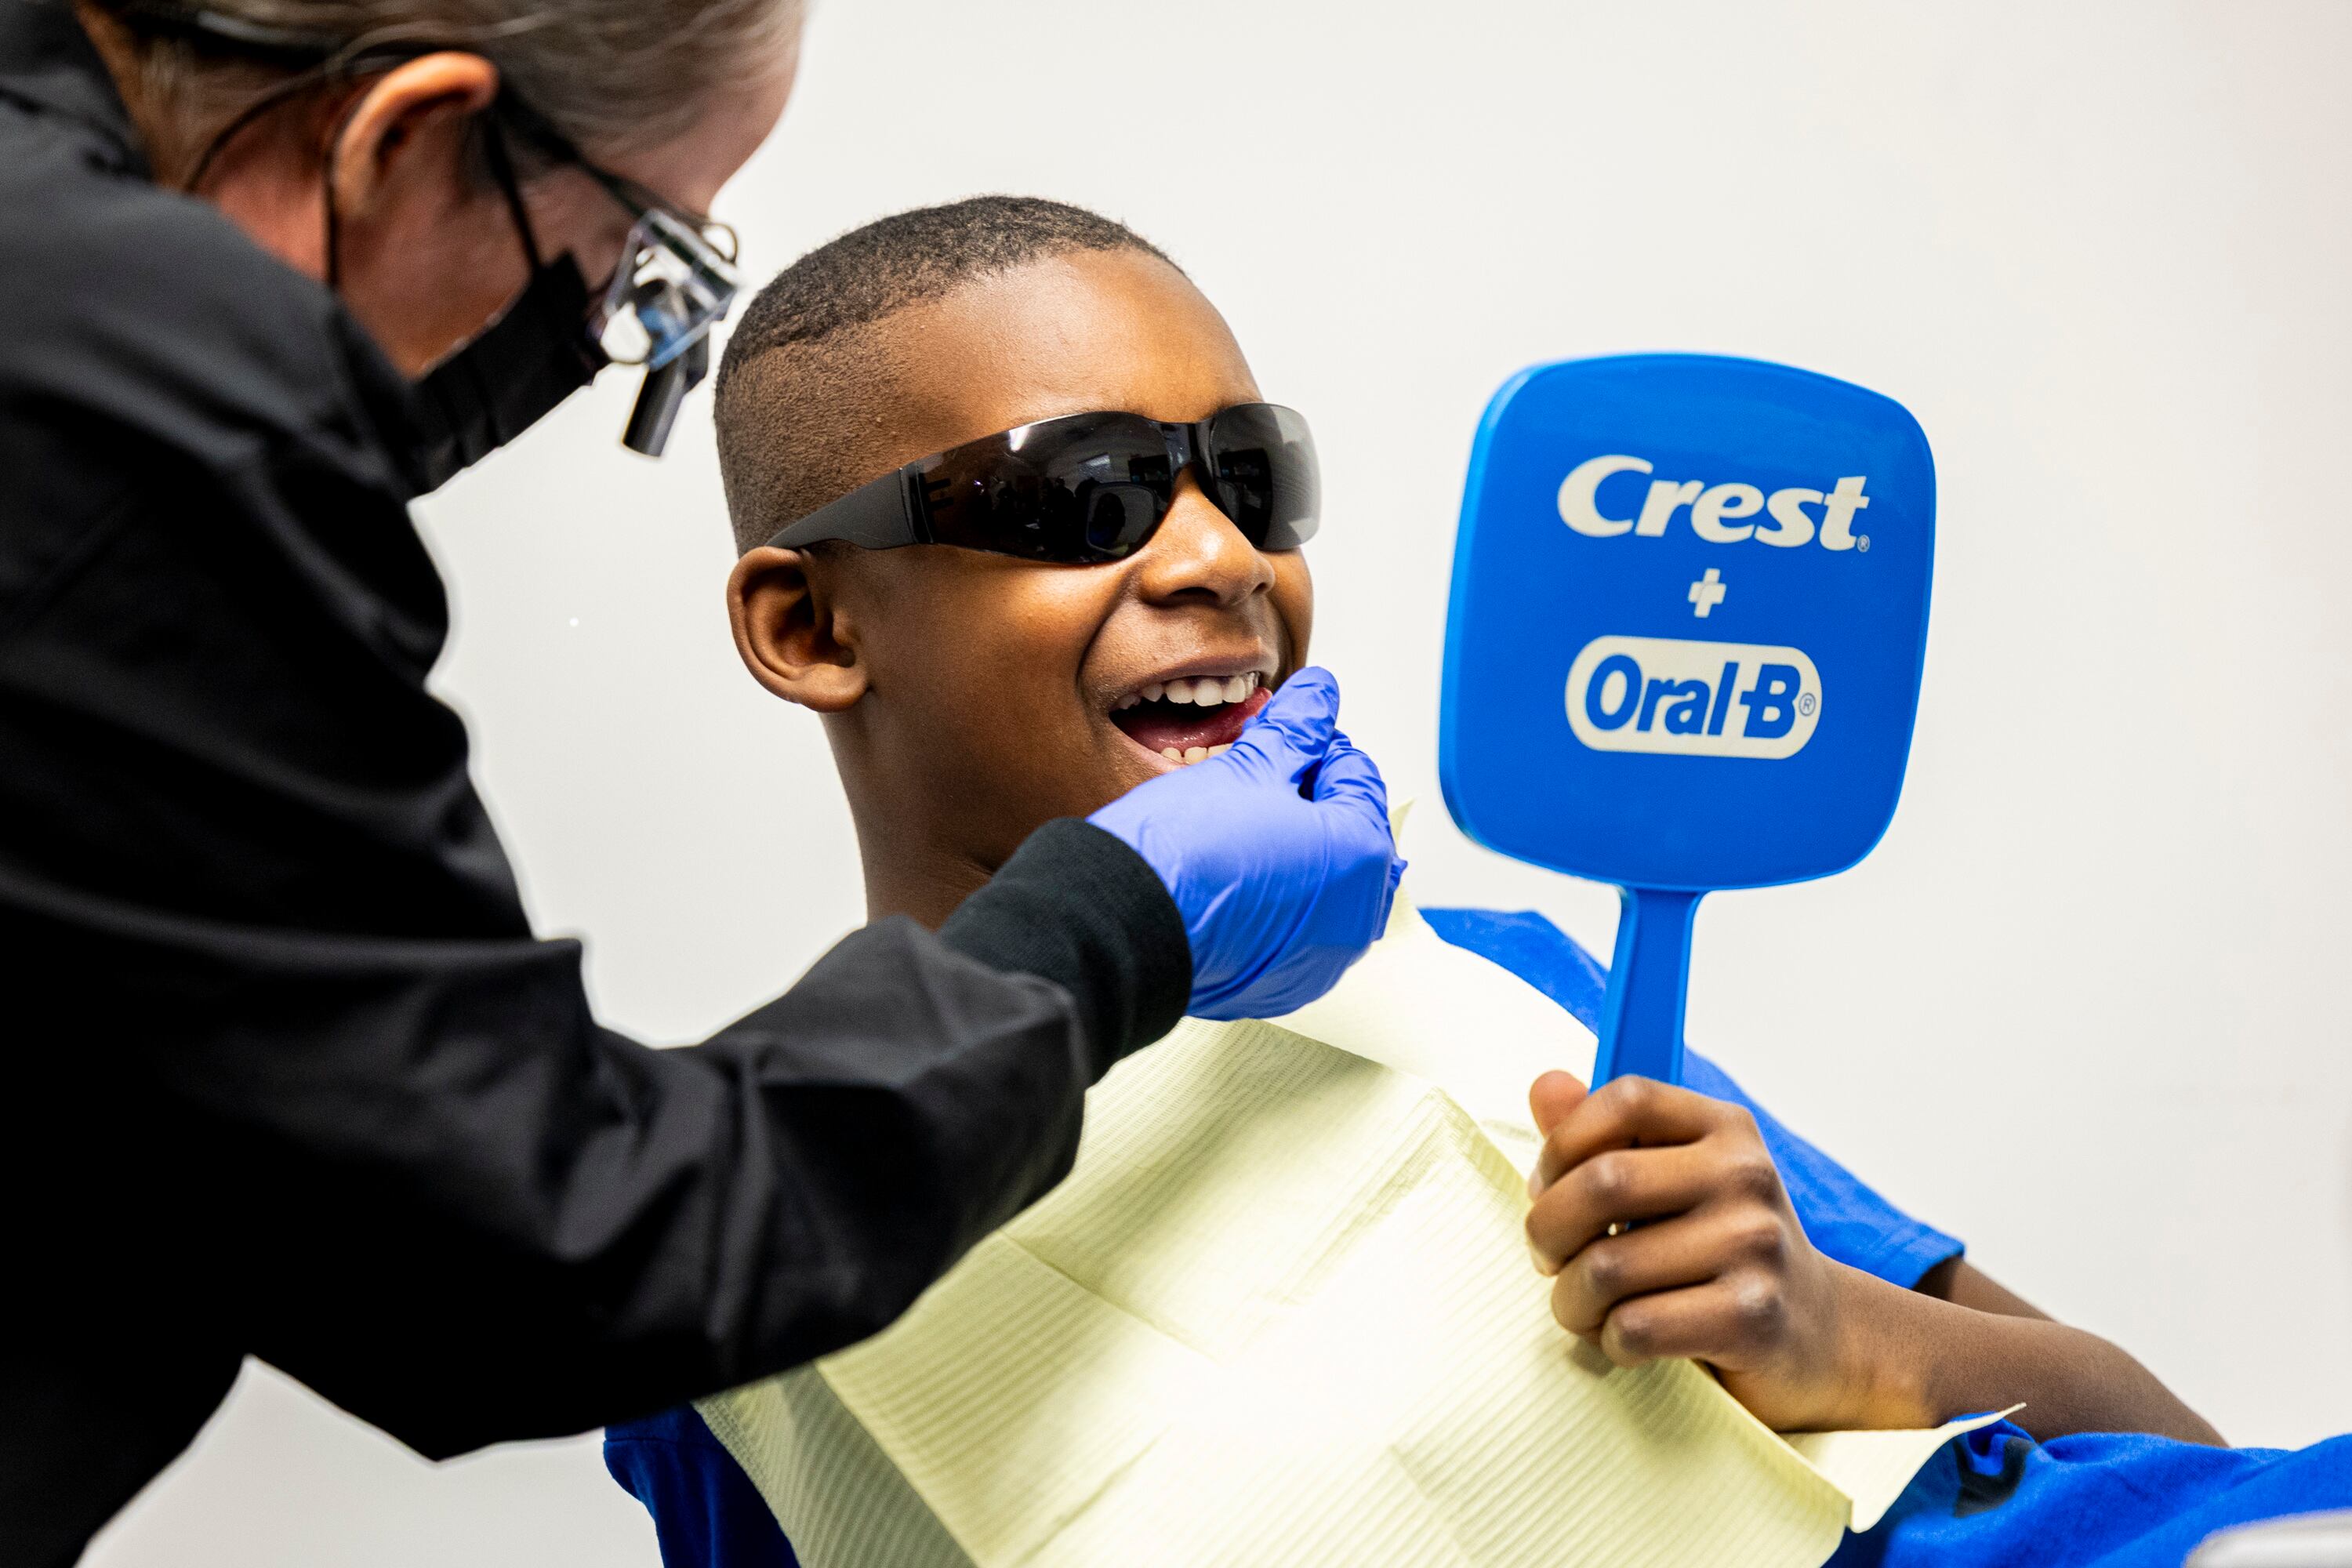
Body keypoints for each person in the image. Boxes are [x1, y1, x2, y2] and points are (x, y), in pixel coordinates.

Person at [603, 195, 2214, 1566]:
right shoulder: (710, 1289)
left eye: (1249, 478)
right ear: (813, 627)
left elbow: (2175, 1445)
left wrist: (1840, 1333)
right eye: (1082, 499)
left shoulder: (1502, 986)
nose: (1220, 558)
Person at [0, 6, 1401, 1563]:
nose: (1216, 555)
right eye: (629, 264)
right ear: (401, 140)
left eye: (1252, 480)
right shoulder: (116, 416)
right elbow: (525, 1250)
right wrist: (1112, 918)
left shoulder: (1523, 1019)